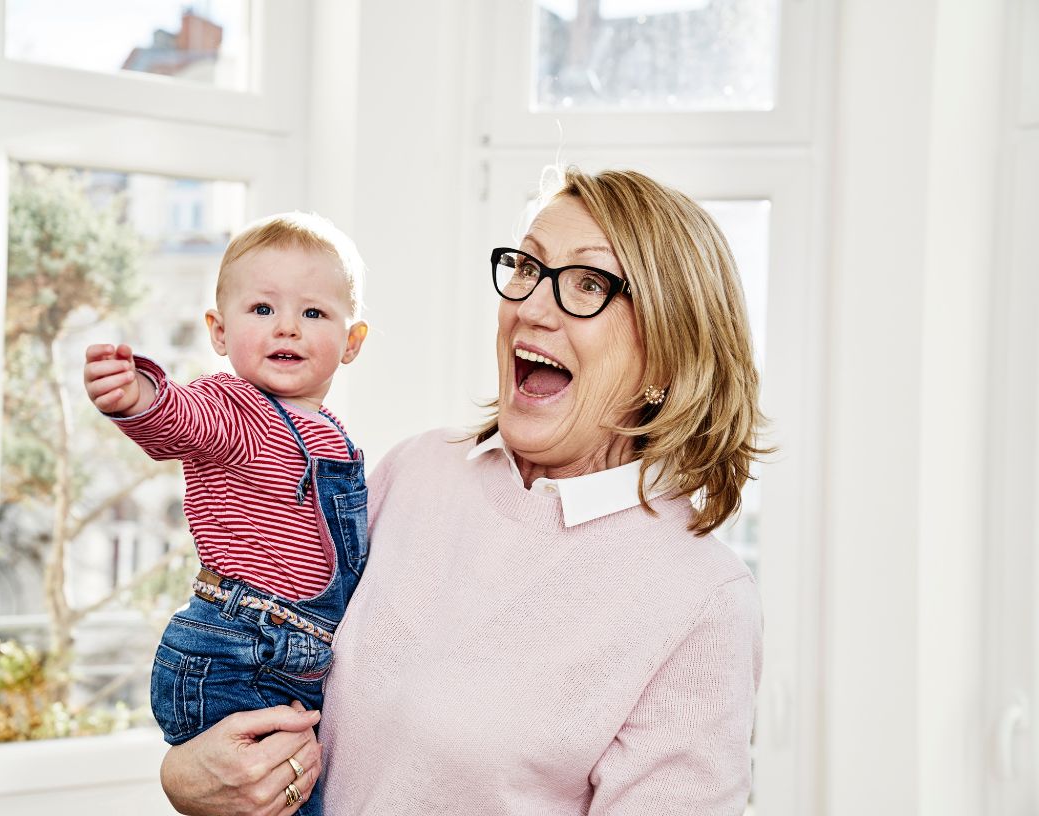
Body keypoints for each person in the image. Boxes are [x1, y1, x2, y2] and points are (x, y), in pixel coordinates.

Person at [159, 167, 767, 815]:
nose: (531, 308)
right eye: (527, 269)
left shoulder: (700, 599)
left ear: (669, 353)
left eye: (589, 284)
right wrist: (187, 778)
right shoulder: (417, 469)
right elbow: (262, 666)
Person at [83, 212, 370, 816]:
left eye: (313, 313)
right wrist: (137, 396)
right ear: (219, 331)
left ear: (352, 342)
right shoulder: (236, 406)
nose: (287, 326)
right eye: (262, 309)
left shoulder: (333, 433)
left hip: (291, 657)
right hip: (239, 650)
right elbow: (179, 419)